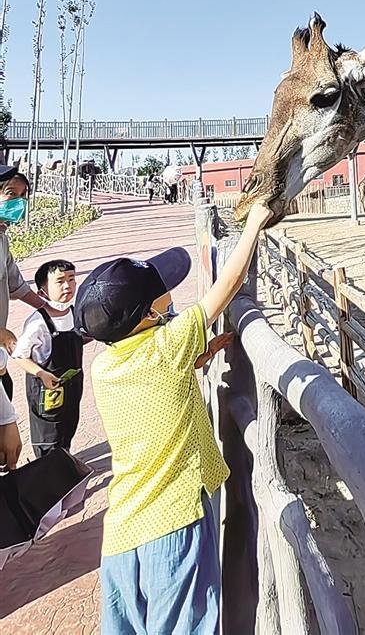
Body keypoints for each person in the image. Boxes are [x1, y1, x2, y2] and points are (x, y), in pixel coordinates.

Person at [74, 201, 270, 635]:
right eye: (162, 289)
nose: (170, 290)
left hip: (123, 531)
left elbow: (153, 377)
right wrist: (255, 222)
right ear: (148, 314)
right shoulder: (170, 345)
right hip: (173, 522)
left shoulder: (104, 367)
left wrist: (204, 353)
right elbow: (229, 284)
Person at [13, 259, 84, 457]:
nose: (67, 285)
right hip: (46, 390)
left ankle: (65, 459)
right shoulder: (38, 322)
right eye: (60, 281)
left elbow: (78, 338)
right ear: (42, 291)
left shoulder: (75, 313)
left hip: (71, 384)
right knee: (48, 432)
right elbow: (19, 355)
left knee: (68, 423)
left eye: (71, 279)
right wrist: (40, 373)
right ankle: (48, 471)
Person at [0, 166, 42, 470]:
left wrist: (47, 306)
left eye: (22, 196)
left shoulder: (2, 239)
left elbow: (15, 285)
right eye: (10, 195)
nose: (18, 202)